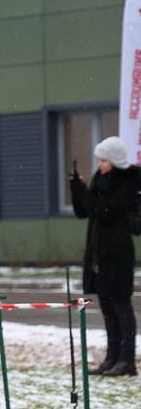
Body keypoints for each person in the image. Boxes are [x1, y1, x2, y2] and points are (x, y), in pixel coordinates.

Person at [71, 135, 141, 377]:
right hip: (99, 252)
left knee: (121, 305)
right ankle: (112, 358)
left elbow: (104, 210)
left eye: (103, 159)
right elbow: (84, 211)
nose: (99, 164)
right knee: (107, 308)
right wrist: (76, 189)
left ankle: (127, 360)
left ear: (114, 160)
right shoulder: (100, 180)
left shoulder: (128, 182)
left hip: (118, 253)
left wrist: (85, 194)